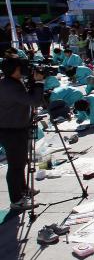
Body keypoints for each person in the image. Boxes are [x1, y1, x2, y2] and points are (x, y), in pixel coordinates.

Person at [0, 58, 45, 210]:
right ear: (14, 70)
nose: (24, 71)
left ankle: (23, 189)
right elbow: (35, 101)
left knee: (21, 161)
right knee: (15, 165)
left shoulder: (10, 82)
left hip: (16, 127)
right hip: (11, 130)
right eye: (21, 68)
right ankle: (16, 200)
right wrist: (39, 83)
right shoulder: (10, 87)